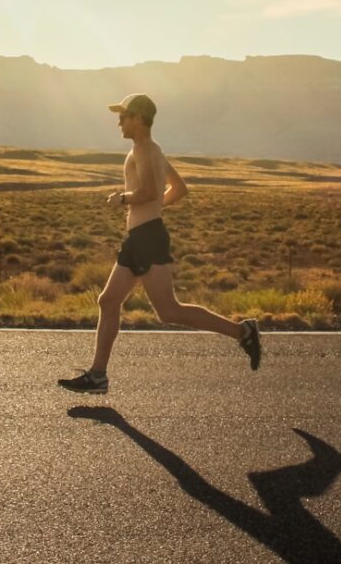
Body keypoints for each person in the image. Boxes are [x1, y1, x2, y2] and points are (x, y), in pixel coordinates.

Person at [58, 93, 262, 394]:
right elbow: (178, 189)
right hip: (140, 236)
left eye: (123, 116)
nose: (118, 122)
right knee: (108, 301)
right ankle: (98, 375)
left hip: (148, 238)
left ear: (138, 119)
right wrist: (152, 210)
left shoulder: (143, 150)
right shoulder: (154, 150)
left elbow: (151, 189)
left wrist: (122, 199)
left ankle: (242, 331)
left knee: (169, 311)